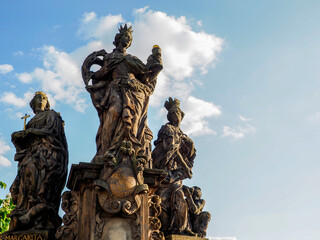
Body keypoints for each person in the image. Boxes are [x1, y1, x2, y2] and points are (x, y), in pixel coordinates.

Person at [82, 24, 162, 164]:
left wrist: (157, 60)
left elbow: (147, 73)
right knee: (113, 113)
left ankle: (134, 149)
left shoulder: (133, 59)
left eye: (130, 38)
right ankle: (106, 150)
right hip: (116, 88)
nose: (128, 40)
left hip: (134, 91)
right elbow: (102, 73)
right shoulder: (110, 57)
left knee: (134, 119)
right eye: (126, 36)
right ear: (118, 39)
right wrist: (90, 75)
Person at [9, 91, 68, 231]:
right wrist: (17, 137)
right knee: (22, 180)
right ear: (33, 103)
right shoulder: (30, 122)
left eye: (43, 98)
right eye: (38, 98)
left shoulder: (51, 115)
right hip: (32, 153)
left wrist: (31, 132)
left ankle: (40, 210)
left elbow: (52, 132)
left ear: (47, 102)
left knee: (35, 174)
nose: (41, 99)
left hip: (47, 153)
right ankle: (25, 209)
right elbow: (24, 145)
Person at [152, 97, 196, 236]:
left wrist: (190, 147)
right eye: (171, 114)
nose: (174, 116)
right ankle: (163, 231)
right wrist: (186, 167)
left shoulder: (183, 135)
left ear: (181, 115)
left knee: (179, 196)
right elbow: (172, 150)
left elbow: (188, 153)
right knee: (163, 203)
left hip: (176, 175)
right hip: (164, 172)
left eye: (177, 113)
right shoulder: (167, 129)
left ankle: (180, 229)